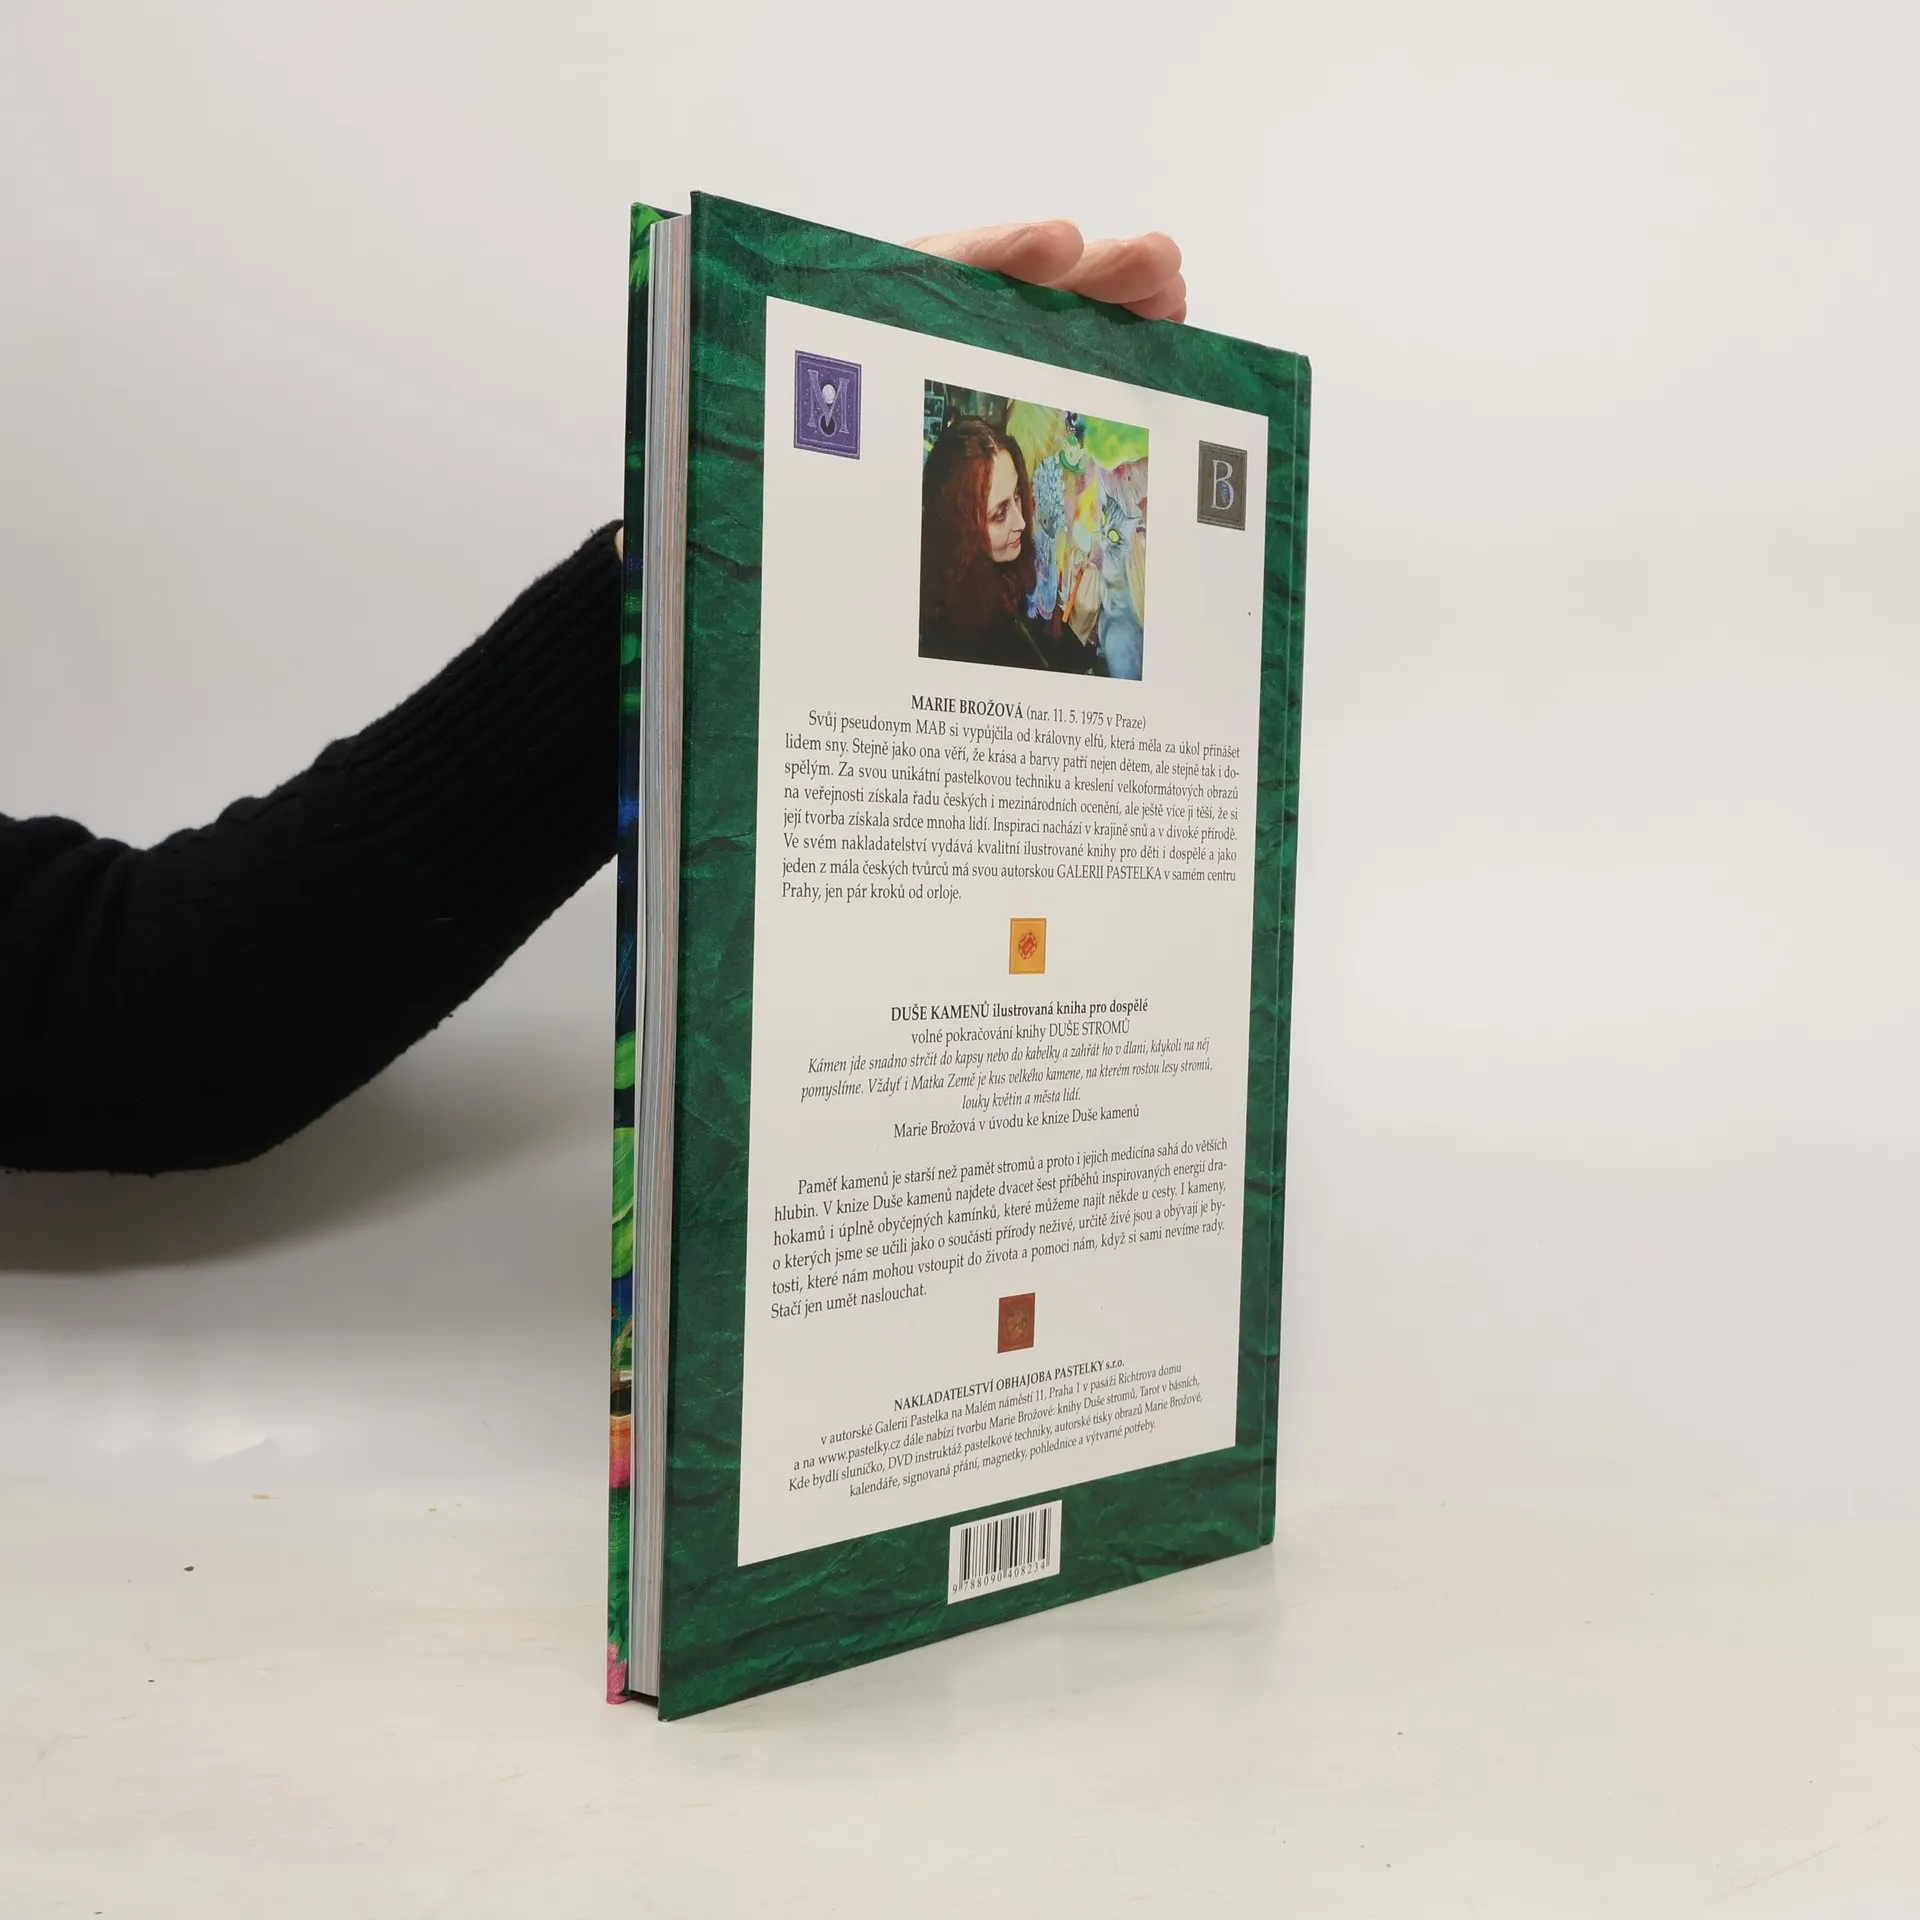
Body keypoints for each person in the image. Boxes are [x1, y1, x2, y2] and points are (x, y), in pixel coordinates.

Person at [0, 221, 1185, 1176]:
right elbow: (129, 1020)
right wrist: (684, 559)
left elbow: (124, 1002)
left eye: (1022, 505)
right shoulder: (968, 613)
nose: (1016, 526)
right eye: (996, 506)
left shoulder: (1037, 616)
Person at [919, 415, 1096, 674]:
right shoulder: (959, 637)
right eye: (999, 514)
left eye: (1017, 495)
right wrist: (1078, 633)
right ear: (961, 530)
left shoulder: (996, 576)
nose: (1021, 522)